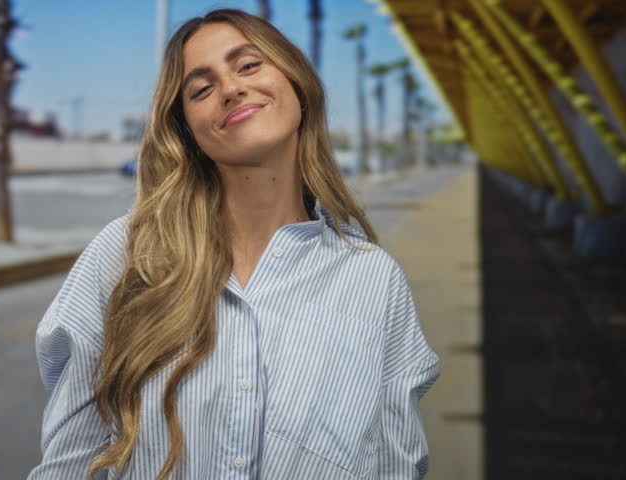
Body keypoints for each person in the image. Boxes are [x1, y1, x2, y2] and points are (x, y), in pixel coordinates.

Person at [28, 8, 439, 480]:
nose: (230, 88)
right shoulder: (124, 256)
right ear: (188, 130)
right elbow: (69, 464)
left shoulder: (375, 279)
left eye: (248, 65)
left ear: (296, 83)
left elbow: (395, 467)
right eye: (201, 89)